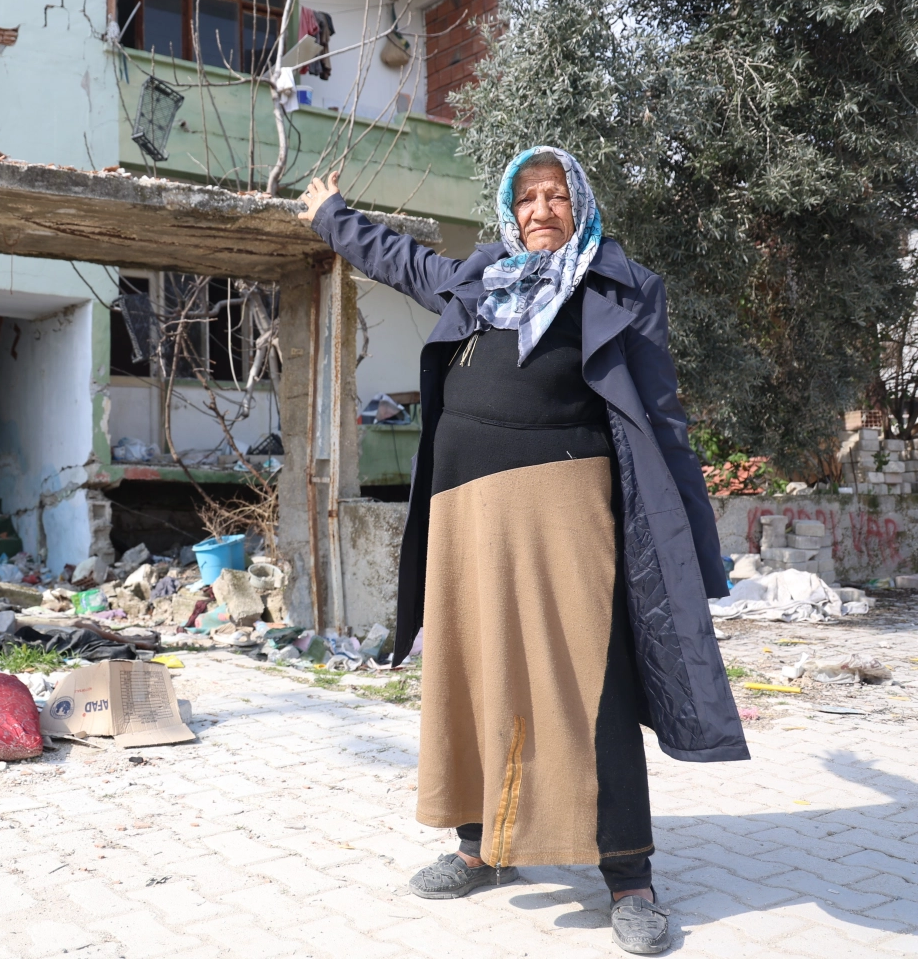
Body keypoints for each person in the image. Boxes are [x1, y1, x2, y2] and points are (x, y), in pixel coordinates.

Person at [298, 148, 747, 956]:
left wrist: (695, 547)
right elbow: (400, 260)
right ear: (510, 208)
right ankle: (483, 845)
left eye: (556, 196)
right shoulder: (479, 279)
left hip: (568, 512)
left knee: (590, 682)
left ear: (581, 203)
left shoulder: (620, 287)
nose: (542, 210)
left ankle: (629, 874)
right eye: (528, 197)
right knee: (476, 671)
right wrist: (332, 216)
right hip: (464, 512)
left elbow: (664, 416)